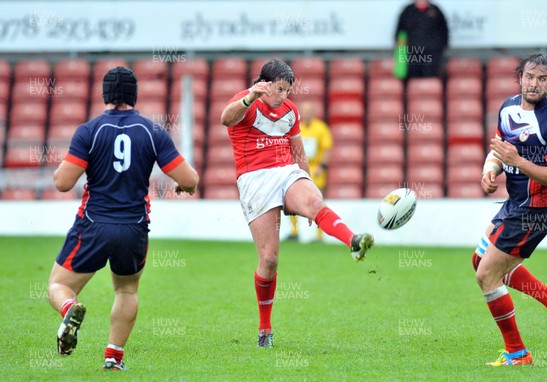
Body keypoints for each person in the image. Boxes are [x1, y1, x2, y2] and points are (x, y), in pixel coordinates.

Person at [47, 67, 199, 370]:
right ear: (135, 94)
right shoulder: (152, 132)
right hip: (134, 227)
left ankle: (70, 307)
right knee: (127, 290)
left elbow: (63, 183)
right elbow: (191, 179)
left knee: (57, 285)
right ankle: (113, 358)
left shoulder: (89, 131)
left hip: (93, 224)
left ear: (104, 95)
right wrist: (183, 184)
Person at [220, 59, 374, 348]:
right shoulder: (246, 101)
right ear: (264, 84)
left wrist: (309, 183)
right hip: (254, 179)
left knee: (315, 203)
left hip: (286, 171)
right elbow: (225, 119)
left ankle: (353, 240)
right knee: (269, 260)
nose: (284, 96)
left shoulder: (290, 110)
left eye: (288, 90)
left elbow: (299, 152)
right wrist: (251, 95)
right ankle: (265, 328)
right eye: (279, 89)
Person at [474, 54, 547, 366]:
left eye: (542, 79)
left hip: (536, 210)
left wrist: (517, 161)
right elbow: (499, 150)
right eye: (530, 76)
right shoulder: (508, 107)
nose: (534, 83)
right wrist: (489, 170)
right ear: (520, 77)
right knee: (479, 259)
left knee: (487, 275)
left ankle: (517, 354)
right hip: (514, 204)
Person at [288, 100, 333, 241]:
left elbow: (327, 148)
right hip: (298, 167)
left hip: (315, 168)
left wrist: (322, 166)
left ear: (313, 113)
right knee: (293, 199)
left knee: (317, 200)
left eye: (308, 111)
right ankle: (294, 232)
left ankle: (319, 235)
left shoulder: (321, 128)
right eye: (304, 111)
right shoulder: (296, 127)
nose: (306, 114)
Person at [394, 0, 449, 78]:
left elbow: (444, 31)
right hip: (413, 54)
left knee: (430, 80)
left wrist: (438, 50)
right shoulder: (407, 11)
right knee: (413, 81)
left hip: (432, 55)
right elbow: (399, 34)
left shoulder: (436, 10)